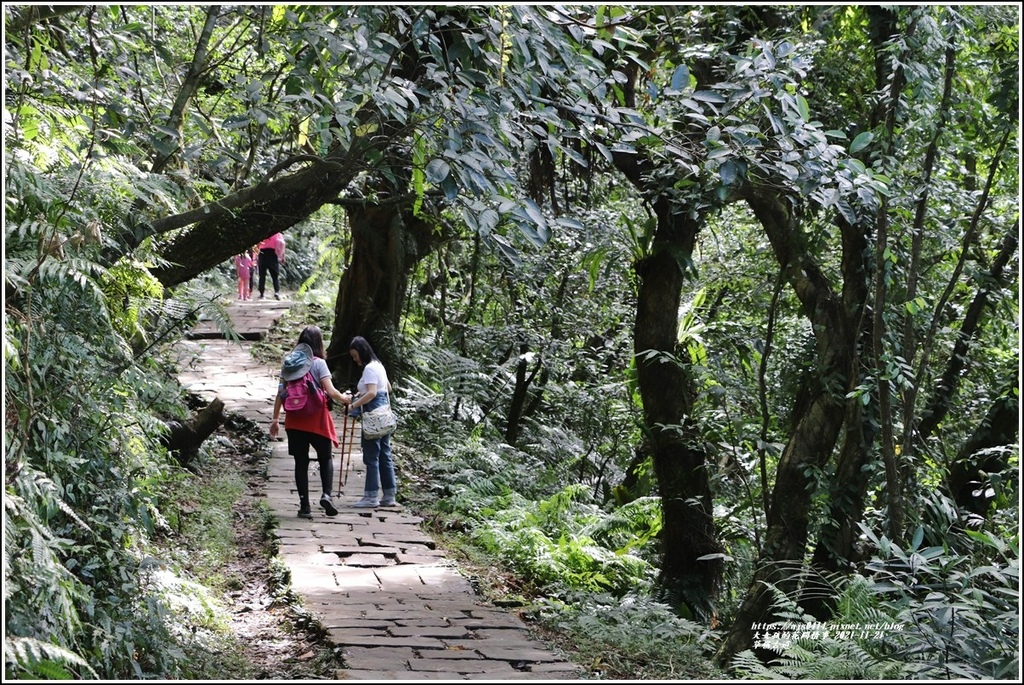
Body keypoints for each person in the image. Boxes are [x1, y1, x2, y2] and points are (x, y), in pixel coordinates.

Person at [270, 325, 348, 518]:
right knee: (325, 458)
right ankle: (326, 495)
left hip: (295, 420)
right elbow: (331, 392)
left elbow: (281, 392)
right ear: (318, 343)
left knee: (300, 462)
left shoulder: (288, 363)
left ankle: (305, 506)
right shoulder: (319, 363)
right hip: (317, 419)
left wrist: (275, 419)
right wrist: (345, 399)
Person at [339, 336, 398, 508]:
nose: (355, 359)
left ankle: (371, 496)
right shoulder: (379, 365)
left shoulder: (369, 369)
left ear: (362, 351)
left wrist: (353, 406)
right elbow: (387, 388)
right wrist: (359, 394)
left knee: (371, 455)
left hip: (373, 417)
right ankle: (389, 494)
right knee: (384, 454)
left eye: (355, 355)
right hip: (384, 415)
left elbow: (372, 393)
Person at [257, 232, 286, 299]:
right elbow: (282, 244)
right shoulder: (277, 233)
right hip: (272, 253)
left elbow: (258, 244)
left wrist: (256, 255)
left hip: (262, 253)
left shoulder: (263, 231)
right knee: (275, 275)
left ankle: (261, 294)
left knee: (262, 275)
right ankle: (276, 291)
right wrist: (283, 256)